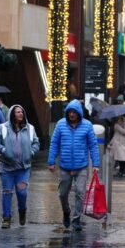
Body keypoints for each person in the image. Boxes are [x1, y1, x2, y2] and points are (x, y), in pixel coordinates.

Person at [47, 99, 100, 231]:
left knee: (80, 192)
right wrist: (51, 161)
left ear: (79, 113)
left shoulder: (87, 125)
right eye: (69, 112)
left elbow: (93, 145)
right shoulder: (60, 125)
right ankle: (66, 211)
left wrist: (96, 164)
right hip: (65, 165)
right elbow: (54, 143)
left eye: (74, 112)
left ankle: (76, 219)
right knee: (62, 194)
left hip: (81, 165)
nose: (71, 114)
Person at [0, 105, 40, 229]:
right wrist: (3, 150)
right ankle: (6, 218)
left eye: (22, 112)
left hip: (23, 169)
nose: (21, 114)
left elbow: (36, 143)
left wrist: (31, 152)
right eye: (18, 112)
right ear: (12, 114)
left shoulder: (30, 128)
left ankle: (22, 211)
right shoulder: (3, 128)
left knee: (22, 192)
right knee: (7, 192)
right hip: (6, 168)